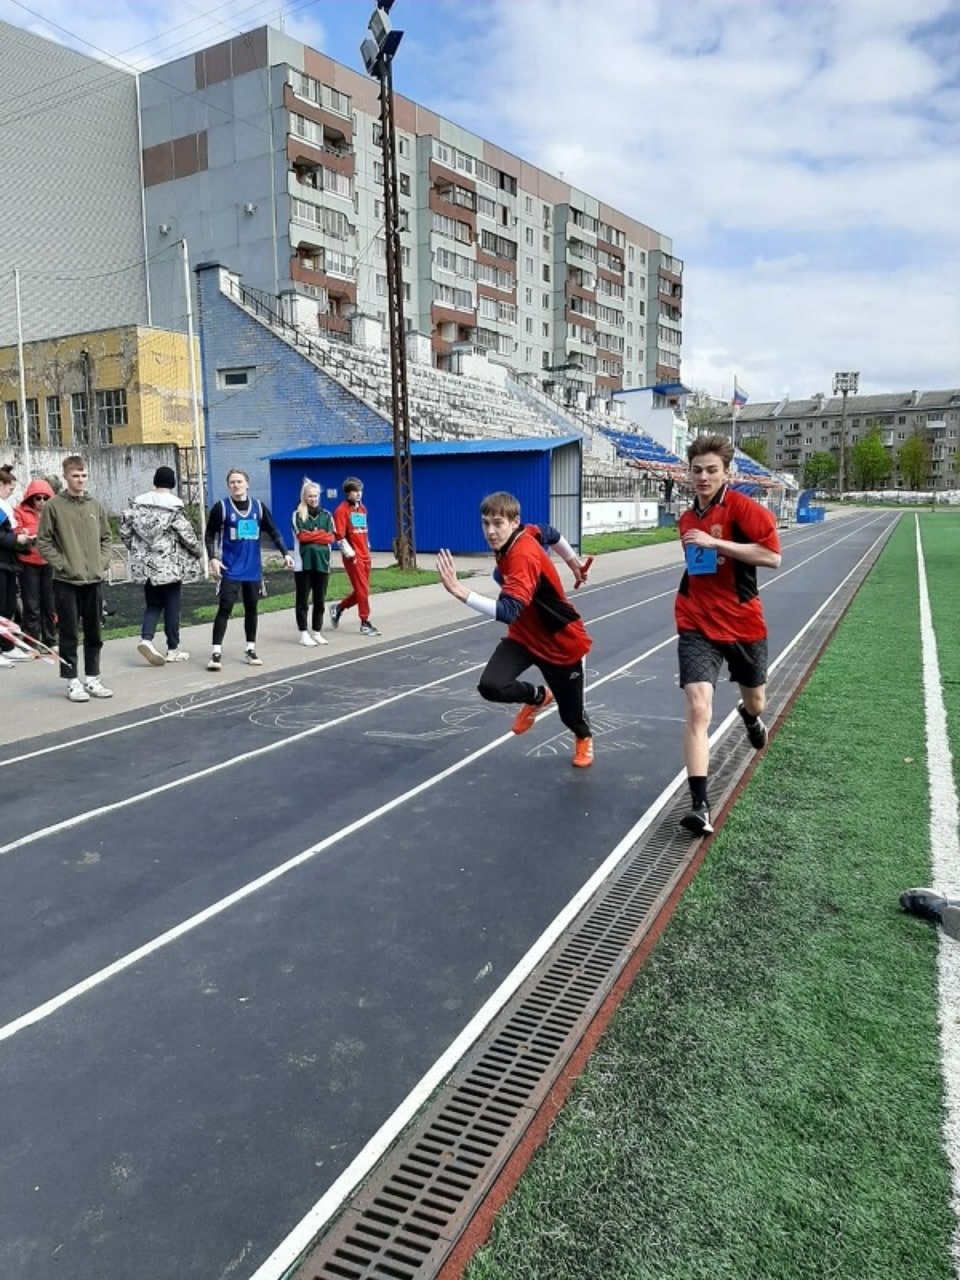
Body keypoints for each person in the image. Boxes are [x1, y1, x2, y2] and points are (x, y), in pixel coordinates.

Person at [437, 491, 594, 768]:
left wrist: (460, 591)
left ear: (514, 522)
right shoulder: (523, 534)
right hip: (524, 636)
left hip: (561, 643)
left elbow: (508, 611)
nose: (491, 531)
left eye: (498, 523)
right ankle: (538, 696)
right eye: (486, 523)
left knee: (571, 716)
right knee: (491, 686)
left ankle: (584, 737)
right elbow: (551, 533)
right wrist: (573, 562)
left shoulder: (523, 556)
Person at [675, 434, 782, 835]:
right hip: (696, 622)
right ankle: (699, 806)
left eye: (711, 470)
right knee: (697, 708)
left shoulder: (743, 509)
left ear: (726, 473)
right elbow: (698, 566)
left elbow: (772, 557)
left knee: (756, 700)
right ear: (689, 473)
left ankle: (750, 717)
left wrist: (717, 542)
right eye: (697, 470)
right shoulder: (686, 519)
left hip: (743, 624)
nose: (703, 477)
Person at [36, 455, 113, 702]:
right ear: (66, 476)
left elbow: (106, 538)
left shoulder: (95, 506)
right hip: (66, 582)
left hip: (93, 580)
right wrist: (62, 565)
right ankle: (72, 681)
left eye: (84, 475)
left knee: (94, 632)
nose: (80, 480)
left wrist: (102, 563)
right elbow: (44, 541)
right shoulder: (53, 506)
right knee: (69, 633)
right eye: (75, 476)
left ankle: (93, 678)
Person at [203, 468, 293, 671]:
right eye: (232, 482)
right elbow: (209, 534)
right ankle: (216, 652)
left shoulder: (258, 507)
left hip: (252, 570)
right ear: (228, 485)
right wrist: (213, 558)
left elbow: (273, 531)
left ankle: (250, 649)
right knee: (225, 608)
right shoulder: (221, 508)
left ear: (247, 484)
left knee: (251, 609)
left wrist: (285, 553)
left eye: (239, 481)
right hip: (230, 568)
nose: (236, 485)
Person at [120, 465, 203, 665]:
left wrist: (137, 550)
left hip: (146, 565)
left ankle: (146, 639)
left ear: (155, 481)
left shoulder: (137, 506)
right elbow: (187, 536)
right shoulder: (174, 508)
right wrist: (198, 552)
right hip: (169, 564)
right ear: (172, 483)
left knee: (153, 604)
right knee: (172, 606)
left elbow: (125, 532)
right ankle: (173, 648)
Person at [329, 476, 379, 637]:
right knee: (363, 590)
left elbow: (363, 530)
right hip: (354, 557)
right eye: (355, 491)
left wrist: (367, 547)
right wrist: (351, 554)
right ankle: (365, 622)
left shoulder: (362, 509)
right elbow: (339, 536)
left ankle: (338, 608)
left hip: (365, 554)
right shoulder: (341, 511)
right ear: (347, 493)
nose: (359, 494)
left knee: (361, 590)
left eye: (360, 491)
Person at [14, 476, 57, 652]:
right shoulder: (20, 511)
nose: (41, 502)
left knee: (49, 604)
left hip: (47, 562)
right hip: (28, 563)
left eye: (45, 498)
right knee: (32, 605)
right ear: (31, 498)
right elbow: (16, 533)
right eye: (37, 498)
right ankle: (31, 642)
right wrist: (26, 535)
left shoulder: (53, 512)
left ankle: (50, 640)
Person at [291, 478, 335, 647]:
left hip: (322, 563)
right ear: (304, 497)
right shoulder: (297, 514)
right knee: (303, 600)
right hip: (304, 564)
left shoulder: (326, 515)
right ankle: (303, 633)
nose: (313, 499)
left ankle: (317, 631)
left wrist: (314, 535)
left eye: (315, 496)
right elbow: (302, 536)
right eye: (310, 496)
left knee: (320, 600)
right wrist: (319, 535)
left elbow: (330, 537)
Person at [0, 464, 32, 668]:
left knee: (8, 607)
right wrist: (16, 539)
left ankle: (7, 646)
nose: (11, 492)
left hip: (9, 563)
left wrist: (22, 538)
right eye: (10, 488)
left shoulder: (5, 506)